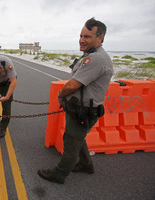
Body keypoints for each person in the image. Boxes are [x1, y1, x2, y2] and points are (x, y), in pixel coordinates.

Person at [38, 17, 113, 184]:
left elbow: (72, 85)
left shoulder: (97, 58)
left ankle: (59, 174)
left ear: (100, 38)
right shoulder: (90, 55)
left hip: (84, 110)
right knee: (77, 137)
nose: (81, 40)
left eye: (87, 36)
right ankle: (86, 164)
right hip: (79, 109)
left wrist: (61, 95)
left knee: (71, 142)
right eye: (81, 35)